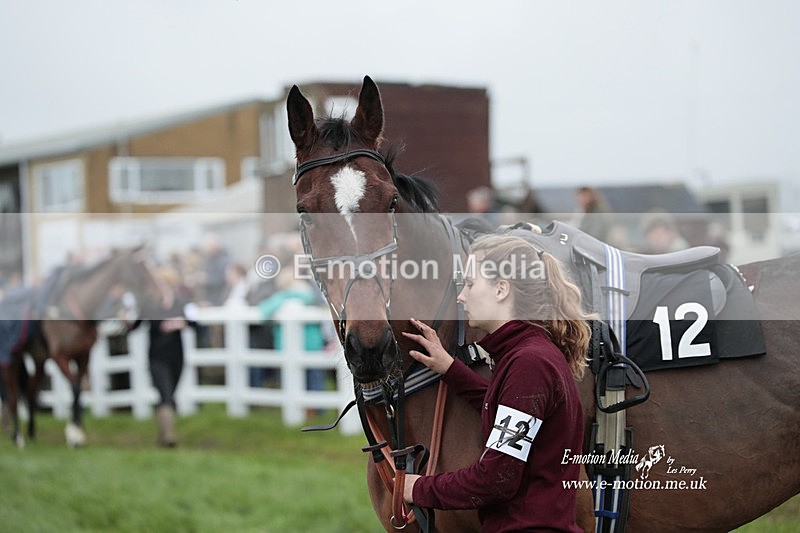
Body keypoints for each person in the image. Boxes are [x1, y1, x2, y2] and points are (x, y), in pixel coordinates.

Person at [401, 234, 593, 532]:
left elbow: (496, 478)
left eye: (469, 284)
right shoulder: (530, 355)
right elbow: (505, 408)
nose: (461, 296)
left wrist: (418, 488)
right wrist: (449, 368)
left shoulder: (529, 364)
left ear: (502, 289)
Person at [135, 266, 194, 447]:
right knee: (166, 393)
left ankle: (162, 435)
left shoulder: (181, 302)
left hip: (176, 355)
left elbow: (195, 322)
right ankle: (169, 437)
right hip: (157, 356)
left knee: (169, 395)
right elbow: (135, 325)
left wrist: (180, 323)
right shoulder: (150, 304)